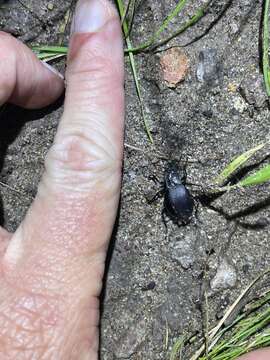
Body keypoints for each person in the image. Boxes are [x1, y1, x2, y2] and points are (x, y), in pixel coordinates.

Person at [0, 0, 267, 359]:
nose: (173, 176)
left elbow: (174, 187)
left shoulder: (174, 183)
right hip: (179, 198)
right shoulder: (175, 183)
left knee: (174, 203)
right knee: (175, 203)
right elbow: (175, 187)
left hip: (179, 198)